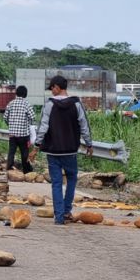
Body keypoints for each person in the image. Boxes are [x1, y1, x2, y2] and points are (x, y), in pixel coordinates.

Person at [30, 75, 93, 225]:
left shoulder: (49, 105)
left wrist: (36, 146)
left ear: (58, 87)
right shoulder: (76, 104)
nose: (51, 91)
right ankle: (66, 211)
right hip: (70, 150)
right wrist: (89, 144)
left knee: (56, 183)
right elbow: (84, 125)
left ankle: (59, 217)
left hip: (53, 151)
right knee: (71, 180)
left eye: (52, 88)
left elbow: (43, 127)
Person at [4, 85, 35, 173]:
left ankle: (9, 168)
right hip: (23, 135)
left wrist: (10, 125)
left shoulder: (11, 103)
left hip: (12, 134)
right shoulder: (27, 104)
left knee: (11, 152)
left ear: (16, 93)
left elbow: (5, 117)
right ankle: (26, 170)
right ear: (25, 94)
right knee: (24, 153)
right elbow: (33, 117)